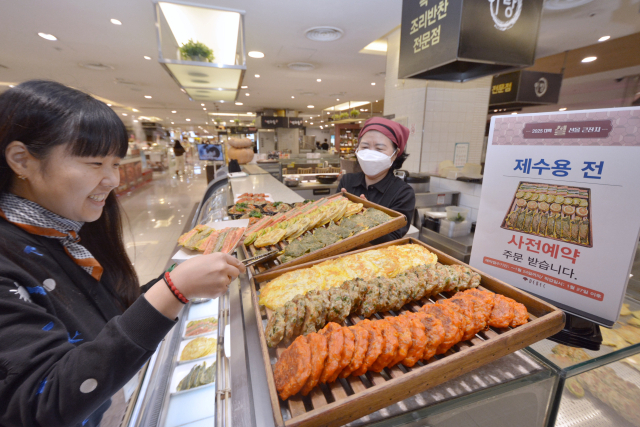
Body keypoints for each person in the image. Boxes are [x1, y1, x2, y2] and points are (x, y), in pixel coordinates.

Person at [0, 80, 245, 427]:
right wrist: (172, 290)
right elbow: (38, 403)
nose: (113, 179)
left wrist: (174, 283)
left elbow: (102, 316)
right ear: (21, 160)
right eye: (95, 163)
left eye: (115, 163)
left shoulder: (64, 233)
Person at [337, 117, 415, 244]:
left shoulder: (403, 193)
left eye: (379, 149)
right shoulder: (347, 181)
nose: (370, 153)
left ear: (395, 154)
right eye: (365, 146)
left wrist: (368, 220)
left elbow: (393, 238)